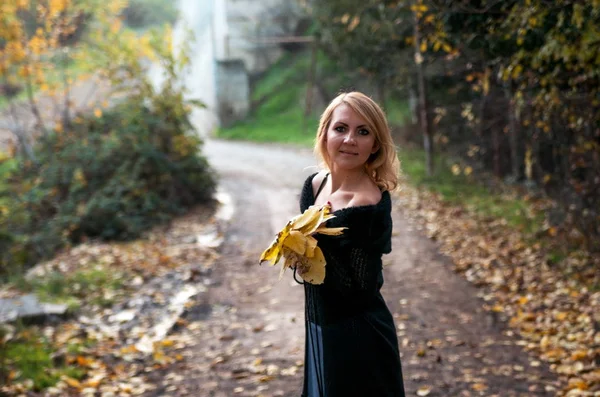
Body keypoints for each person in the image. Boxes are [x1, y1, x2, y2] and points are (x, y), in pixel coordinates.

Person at [296, 91, 406, 396]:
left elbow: (359, 289)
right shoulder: (316, 185)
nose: (350, 140)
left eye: (363, 131)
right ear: (326, 133)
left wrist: (308, 253)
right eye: (341, 128)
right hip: (319, 324)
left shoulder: (366, 204)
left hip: (357, 338)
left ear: (375, 145)